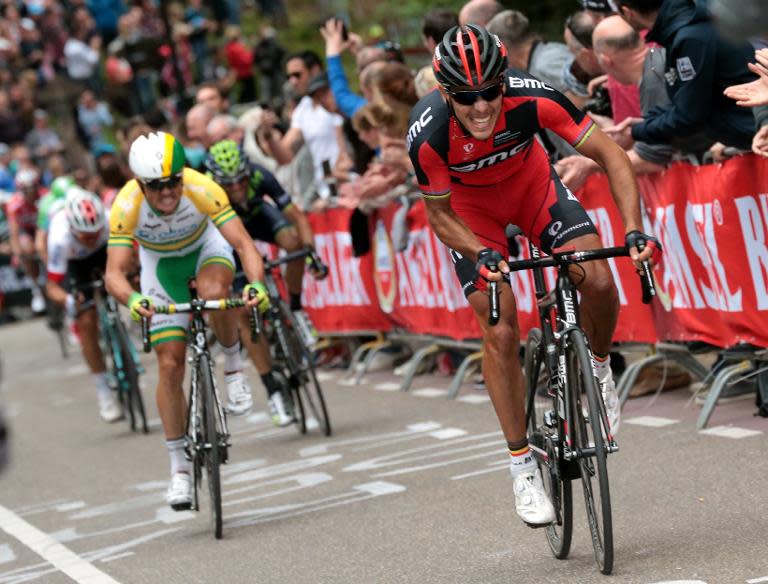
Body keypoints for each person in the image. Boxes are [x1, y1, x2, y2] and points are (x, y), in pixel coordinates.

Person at [407, 24, 659, 526]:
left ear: (505, 80)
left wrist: (633, 229)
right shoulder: (428, 130)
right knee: (500, 327)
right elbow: (439, 216)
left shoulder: (534, 96)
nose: (481, 107)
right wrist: (479, 254)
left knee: (601, 279)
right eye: (465, 96)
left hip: (533, 189)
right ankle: (520, 464)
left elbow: (609, 154)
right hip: (470, 216)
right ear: (444, 92)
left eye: (489, 92)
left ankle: (602, 370)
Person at [105, 131, 269, 510]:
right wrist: (132, 299)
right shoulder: (126, 205)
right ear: (140, 184)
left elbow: (243, 244)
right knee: (170, 363)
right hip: (160, 269)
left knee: (214, 295)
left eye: (174, 181)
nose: (168, 192)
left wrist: (257, 286)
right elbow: (113, 274)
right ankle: (179, 469)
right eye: (157, 186)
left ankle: (232, 367)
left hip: (205, 250)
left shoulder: (202, 188)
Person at [204, 139, 326, 424]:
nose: (237, 188)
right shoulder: (206, 191)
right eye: (229, 184)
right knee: (245, 313)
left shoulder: (261, 176)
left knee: (294, 244)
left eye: (241, 181)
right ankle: (273, 390)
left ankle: (295, 308)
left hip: (258, 216)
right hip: (226, 235)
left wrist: (311, 253)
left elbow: (296, 215)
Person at [610, 0, 756, 152]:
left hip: (756, 133)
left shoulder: (690, 37)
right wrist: (645, 123)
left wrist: (636, 132)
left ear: (628, 12)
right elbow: (688, 99)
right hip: (751, 131)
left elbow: (689, 116)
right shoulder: (684, 26)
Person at [45, 187, 122, 422]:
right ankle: (103, 391)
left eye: (95, 233)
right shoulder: (59, 237)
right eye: (85, 236)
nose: (90, 239)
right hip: (75, 264)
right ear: (72, 229)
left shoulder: (111, 220)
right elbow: (52, 287)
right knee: (86, 319)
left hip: (105, 253)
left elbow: (131, 256)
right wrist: (68, 300)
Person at [6, 167, 45, 314]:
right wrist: (18, 254)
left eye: (33, 188)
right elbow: (14, 232)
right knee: (26, 248)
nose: (30, 193)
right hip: (27, 233)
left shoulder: (45, 197)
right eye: (26, 190)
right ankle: (36, 289)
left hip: (43, 230)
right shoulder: (15, 205)